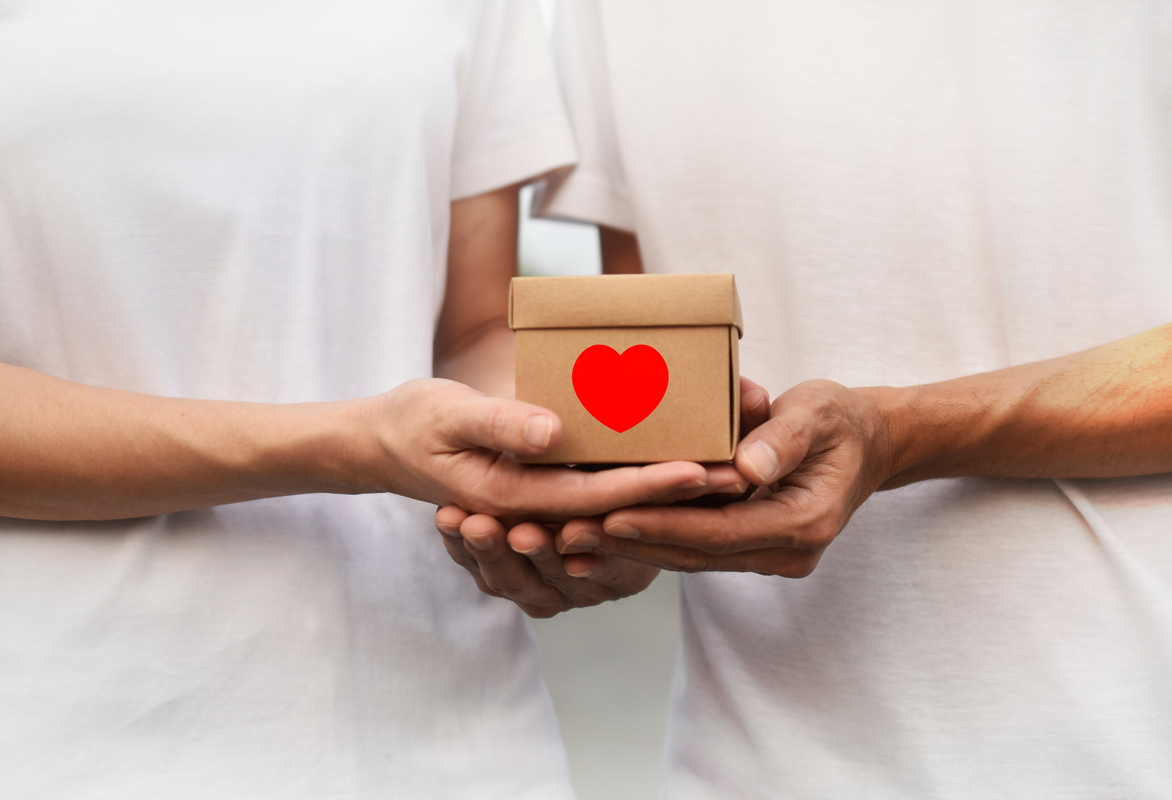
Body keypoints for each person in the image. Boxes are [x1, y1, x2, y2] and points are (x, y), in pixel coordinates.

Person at [0, 3, 741, 797]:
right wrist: (354, 442)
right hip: (61, 732)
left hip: (441, 727)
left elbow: (473, 327)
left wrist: (586, 472)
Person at [440, 1, 1172, 796]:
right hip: (754, 755)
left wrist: (902, 433)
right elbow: (655, 359)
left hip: (1126, 735)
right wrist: (620, 523)